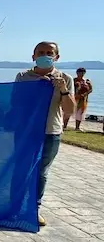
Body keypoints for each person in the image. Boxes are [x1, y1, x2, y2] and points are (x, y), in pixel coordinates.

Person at [14, 41, 75, 226]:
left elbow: (69, 110)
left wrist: (62, 89)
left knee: (41, 173)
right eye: (41, 52)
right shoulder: (23, 76)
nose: (45, 55)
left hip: (51, 132)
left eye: (50, 52)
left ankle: (34, 208)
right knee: (20, 169)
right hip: (26, 132)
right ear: (33, 56)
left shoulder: (65, 78)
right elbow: (15, 103)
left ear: (56, 57)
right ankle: (15, 207)